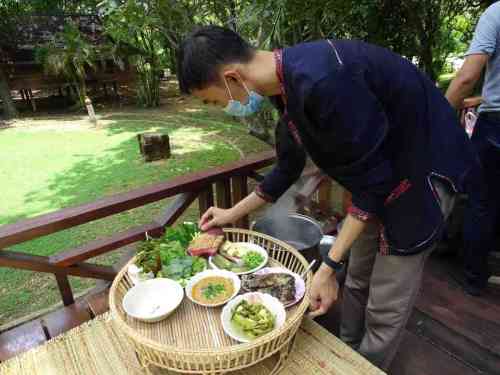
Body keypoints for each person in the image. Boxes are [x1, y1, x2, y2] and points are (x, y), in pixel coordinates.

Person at [177, 26, 476, 370]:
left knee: (385, 303)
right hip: (375, 183)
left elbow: (375, 183)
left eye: (212, 100)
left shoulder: (325, 81)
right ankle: (346, 352)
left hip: (420, 179)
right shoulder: (282, 86)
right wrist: (232, 212)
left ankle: (367, 366)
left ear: (231, 77)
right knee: (358, 277)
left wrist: (329, 266)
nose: (219, 107)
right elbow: (288, 168)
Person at [446, 1, 500, 296]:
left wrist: (438, 117)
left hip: (496, 126)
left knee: (481, 202)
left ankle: (474, 279)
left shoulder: (496, 13)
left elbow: (467, 76)